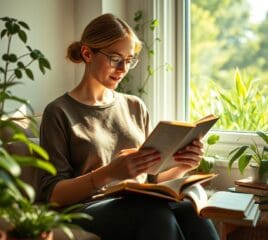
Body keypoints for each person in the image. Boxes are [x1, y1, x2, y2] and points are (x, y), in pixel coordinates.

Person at [38, 13, 220, 240]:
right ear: (87, 53)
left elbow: (149, 179)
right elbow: (52, 194)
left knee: (190, 210)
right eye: (115, 59)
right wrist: (110, 172)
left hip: (134, 202)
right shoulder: (59, 112)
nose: (123, 68)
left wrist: (183, 165)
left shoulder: (135, 106)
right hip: (84, 209)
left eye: (129, 60)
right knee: (154, 215)